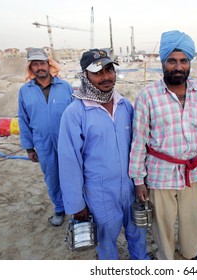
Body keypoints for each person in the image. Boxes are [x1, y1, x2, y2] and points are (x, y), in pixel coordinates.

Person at [129, 30, 197, 260]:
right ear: (163, 63)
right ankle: (166, 259)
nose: (178, 67)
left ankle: (190, 253)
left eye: (183, 61)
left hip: (193, 170)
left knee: (192, 219)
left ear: (189, 63)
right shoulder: (147, 96)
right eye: (172, 61)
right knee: (163, 223)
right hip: (160, 173)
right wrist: (138, 180)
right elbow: (139, 140)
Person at [57, 49, 149, 260]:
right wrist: (77, 204)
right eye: (97, 72)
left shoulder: (125, 105)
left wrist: (140, 180)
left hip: (130, 185)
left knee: (138, 232)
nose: (106, 77)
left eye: (109, 69)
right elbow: (69, 162)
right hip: (99, 192)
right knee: (106, 239)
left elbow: (138, 145)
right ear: (85, 76)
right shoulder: (75, 113)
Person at [18, 48, 73, 226]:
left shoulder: (65, 87)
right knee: (52, 177)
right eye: (35, 64)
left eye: (42, 63)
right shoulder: (24, 91)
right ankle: (59, 209)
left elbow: (77, 116)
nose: (40, 67)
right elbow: (23, 120)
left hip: (67, 142)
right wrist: (29, 148)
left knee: (72, 175)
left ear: (48, 65)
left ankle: (77, 207)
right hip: (42, 144)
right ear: (30, 68)